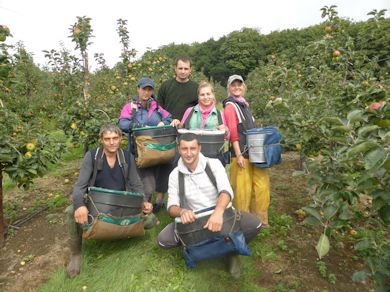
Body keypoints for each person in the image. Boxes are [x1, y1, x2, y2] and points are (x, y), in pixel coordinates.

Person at [157, 133, 262, 278]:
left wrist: (218, 212)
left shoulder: (213, 164)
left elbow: (226, 191)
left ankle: (230, 252)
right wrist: (182, 212)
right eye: (184, 149)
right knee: (163, 240)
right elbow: (171, 207)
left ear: (199, 148)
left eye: (192, 148)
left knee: (255, 224)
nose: (188, 153)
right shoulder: (175, 174)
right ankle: (197, 246)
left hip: (221, 215)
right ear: (179, 150)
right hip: (195, 219)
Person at [66, 124, 154, 278]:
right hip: (97, 204)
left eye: (115, 138)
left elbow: (136, 184)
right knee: (70, 212)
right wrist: (80, 205)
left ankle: (117, 232)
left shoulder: (127, 157)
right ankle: (76, 254)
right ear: (101, 140)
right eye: (107, 139)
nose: (112, 142)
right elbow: (80, 186)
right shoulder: (92, 156)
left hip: (121, 202)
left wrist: (144, 201)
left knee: (151, 220)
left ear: (120, 138)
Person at [222, 75, 271, 226]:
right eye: (233, 85)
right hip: (241, 155)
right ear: (229, 88)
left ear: (244, 87)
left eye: (239, 85)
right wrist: (238, 155)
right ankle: (243, 221)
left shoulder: (244, 105)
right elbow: (233, 133)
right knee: (242, 190)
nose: (237, 87)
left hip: (254, 153)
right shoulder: (231, 107)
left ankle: (260, 219)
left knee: (261, 185)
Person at [119, 77, 174, 208]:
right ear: (138, 89)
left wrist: (164, 123)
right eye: (144, 89)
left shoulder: (157, 108)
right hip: (139, 153)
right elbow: (123, 124)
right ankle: (140, 212)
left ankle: (150, 209)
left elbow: (169, 118)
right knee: (146, 186)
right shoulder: (130, 108)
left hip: (157, 151)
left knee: (158, 180)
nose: (146, 93)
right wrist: (141, 126)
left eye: (149, 90)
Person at [157, 56, 199, 120]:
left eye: (186, 69)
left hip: (188, 127)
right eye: (180, 68)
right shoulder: (165, 86)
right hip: (168, 126)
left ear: (190, 70)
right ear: (175, 68)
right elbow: (159, 108)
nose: (183, 71)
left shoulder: (196, 88)